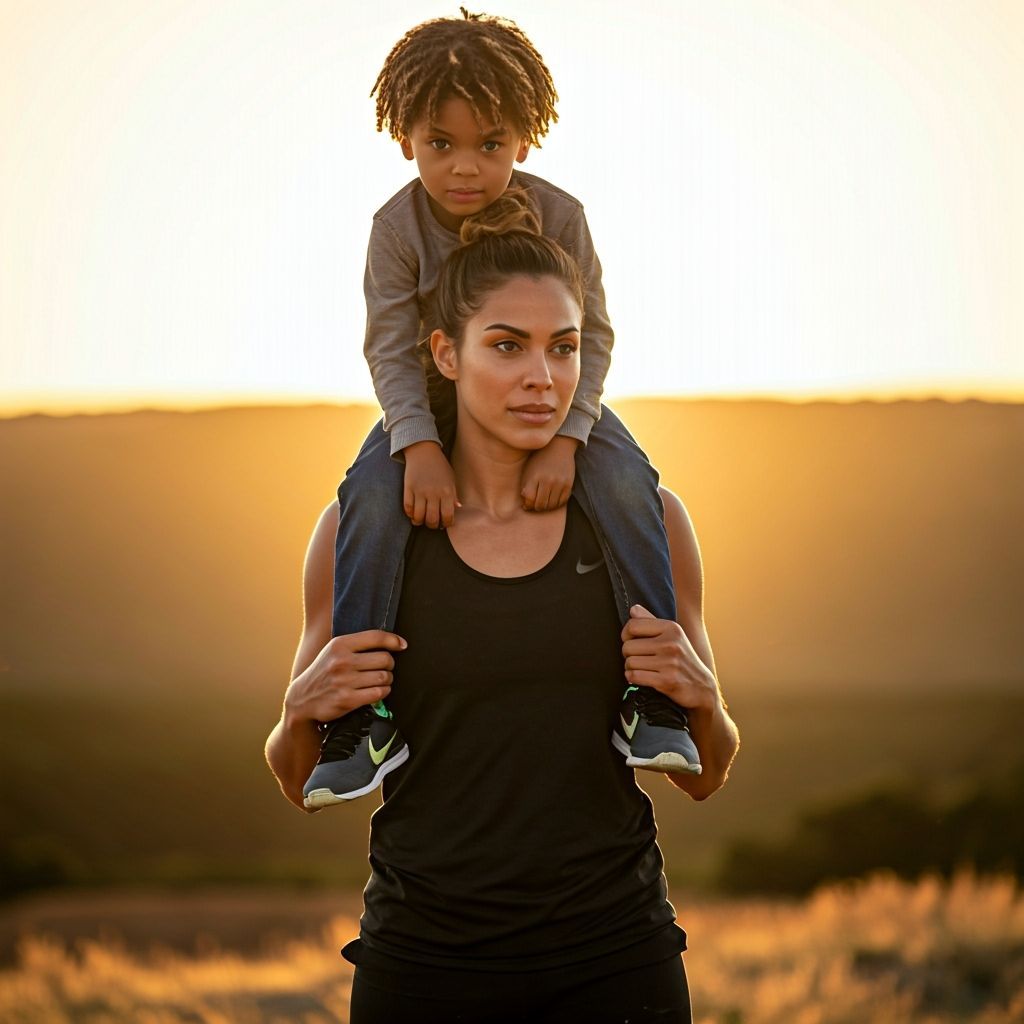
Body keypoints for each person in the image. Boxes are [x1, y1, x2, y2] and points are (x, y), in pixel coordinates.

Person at [266, 197, 740, 1023]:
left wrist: (704, 699)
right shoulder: (358, 533)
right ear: (444, 355)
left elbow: (709, 774)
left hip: (616, 955)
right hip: (421, 961)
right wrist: (297, 709)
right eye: (507, 346)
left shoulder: (650, 525)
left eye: (564, 348)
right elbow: (295, 772)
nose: (542, 377)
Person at [305, 8, 702, 808]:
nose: (464, 168)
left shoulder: (561, 215)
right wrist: (416, 445)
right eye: (438, 143)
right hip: (426, 403)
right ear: (403, 136)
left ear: (527, 134)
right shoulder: (396, 228)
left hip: (559, 409)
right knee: (371, 506)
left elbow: (592, 333)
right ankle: (359, 718)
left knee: (630, 489)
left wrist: (571, 441)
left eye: (490, 143)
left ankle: (656, 700)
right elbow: (389, 345)